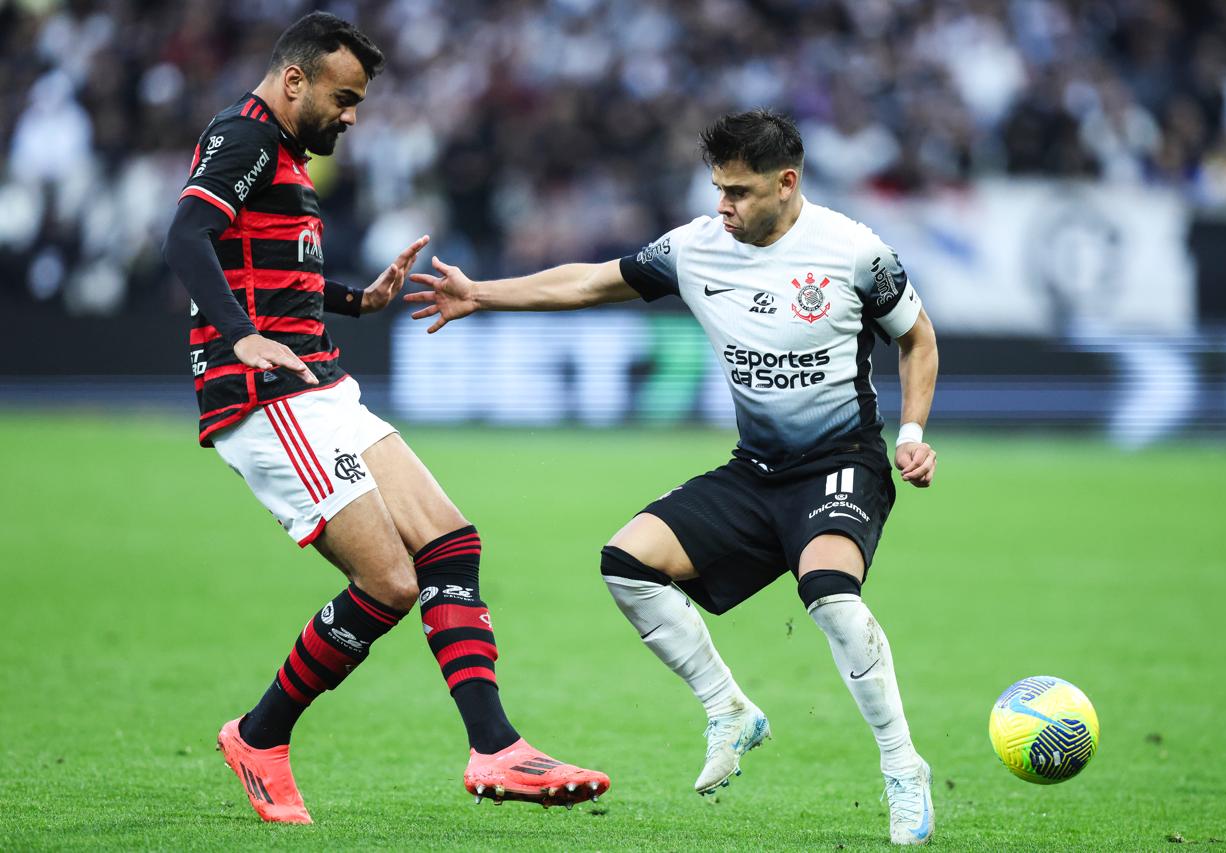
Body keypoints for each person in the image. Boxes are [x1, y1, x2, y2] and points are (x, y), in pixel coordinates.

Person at [406, 109, 940, 846]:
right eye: (718, 188)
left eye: (741, 192)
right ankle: (730, 709)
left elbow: (916, 337)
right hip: (755, 470)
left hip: (842, 464)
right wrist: (483, 294)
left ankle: (902, 769)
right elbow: (594, 283)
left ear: (788, 184)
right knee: (627, 561)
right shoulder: (696, 248)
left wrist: (912, 433)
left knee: (830, 596)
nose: (724, 206)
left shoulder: (853, 251)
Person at [160, 12, 608, 824]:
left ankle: (496, 749)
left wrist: (354, 300)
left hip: (319, 383)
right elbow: (188, 236)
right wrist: (243, 336)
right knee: (390, 582)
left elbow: (261, 264)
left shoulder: (281, 152)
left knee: (450, 540)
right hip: (268, 396)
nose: (352, 116)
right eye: (344, 97)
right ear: (294, 79)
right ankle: (260, 736)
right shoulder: (247, 137)